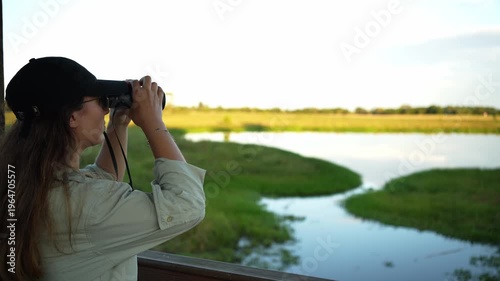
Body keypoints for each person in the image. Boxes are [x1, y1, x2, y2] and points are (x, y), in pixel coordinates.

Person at [0, 57, 206, 281]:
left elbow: (99, 182)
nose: (106, 110)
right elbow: (187, 205)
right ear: (72, 117)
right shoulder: (88, 205)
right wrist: (153, 123)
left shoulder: (21, 181)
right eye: (100, 101)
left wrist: (118, 125)